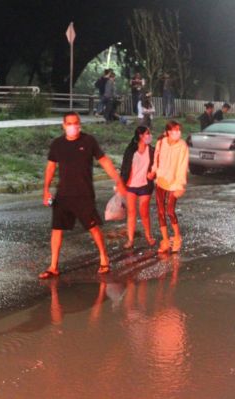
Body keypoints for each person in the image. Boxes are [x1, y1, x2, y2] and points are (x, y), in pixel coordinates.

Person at [39, 112, 128, 279]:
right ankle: (53, 266)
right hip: (63, 194)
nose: (74, 126)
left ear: (80, 124)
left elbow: (105, 161)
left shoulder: (88, 141)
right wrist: (45, 190)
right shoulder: (57, 144)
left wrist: (119, 181)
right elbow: (50, 167)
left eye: (76, 123)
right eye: (70, 123)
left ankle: (104, 257)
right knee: (57, 229)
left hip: (84, 194)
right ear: (64, 125)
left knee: (93, 227)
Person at [149, 120, 189, 254]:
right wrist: (153, 171)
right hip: (161, 181)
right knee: (160, 212)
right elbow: (156, 159)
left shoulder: (182, 146)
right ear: (167, 132)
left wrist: (180, 185)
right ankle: (165, 240)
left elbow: (183, 167)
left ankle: (177, 238)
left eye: (179, 130)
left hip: (174, 183)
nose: (177, 133)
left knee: (170, 211)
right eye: (174, 130)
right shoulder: (161, 143)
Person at [120, 126, 156, 249]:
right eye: (148, 133)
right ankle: (130, 240)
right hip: (130, 185)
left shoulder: (151, 150)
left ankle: (148, 236)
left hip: (145, 185)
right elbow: (124, 167)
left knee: (144, 212)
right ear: (140, 135)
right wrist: (121, 183)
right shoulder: (130, 150)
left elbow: (156, 165)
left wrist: (153, 174)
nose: (150, 136)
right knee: (131, 213)